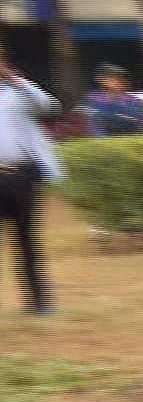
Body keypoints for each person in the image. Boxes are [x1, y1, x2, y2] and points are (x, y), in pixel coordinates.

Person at [0, 50, 62, 316]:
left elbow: (48, 107)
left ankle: (39, 302)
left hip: (21, 176)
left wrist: (15, 79)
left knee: (27, 241)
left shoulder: (18, 93)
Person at [81, 64, 143, 137]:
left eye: (120, 78)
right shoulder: (93, 98)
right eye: (112, 77)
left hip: (134, 139)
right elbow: (94, 123)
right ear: (101, 80)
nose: (118, 81)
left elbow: (142, 120)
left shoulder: (133, 100)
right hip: (109, 141)